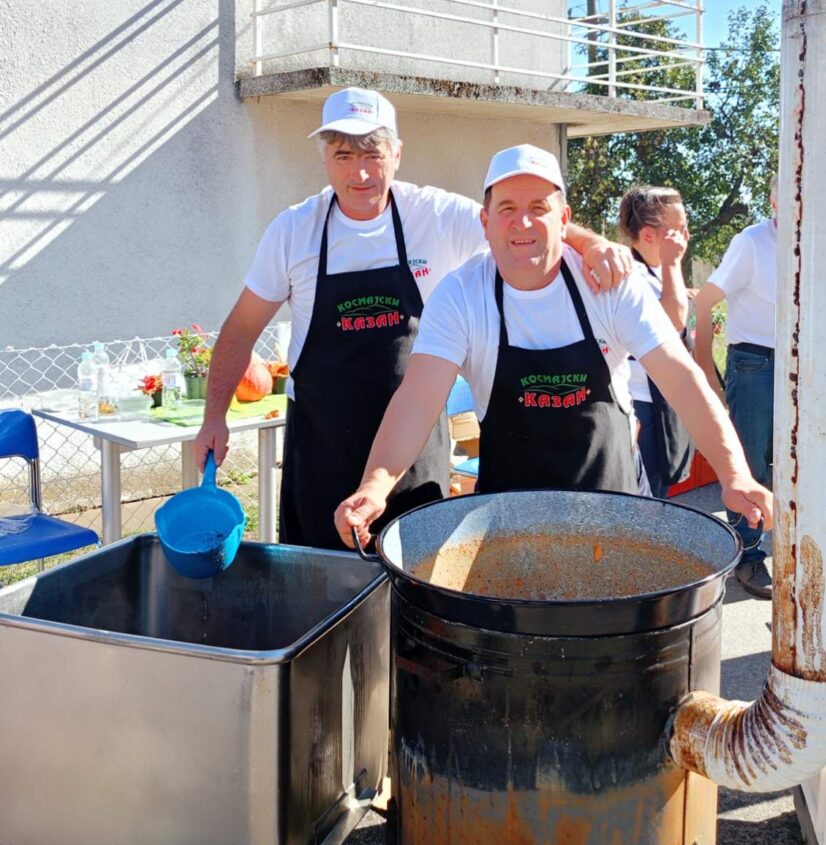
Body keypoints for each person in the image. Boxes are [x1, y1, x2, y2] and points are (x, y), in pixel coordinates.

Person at [192, 88, 632, 550]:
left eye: (372, 153)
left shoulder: (435, 215)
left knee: (419, 600)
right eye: (343, 154)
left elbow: (518, 223)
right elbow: (241, 329)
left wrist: (591, 244)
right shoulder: (293, 231)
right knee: (323, 602)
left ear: (396, 155)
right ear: (324, 159)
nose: (359, 172)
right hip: (322, 454)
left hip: (415, 456)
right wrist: (213, 419)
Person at [334, 145, 772, 550]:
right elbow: (417, 399)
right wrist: (375, 486)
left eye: (538, 209)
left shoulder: (612, 287)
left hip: (616, 516)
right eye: (507, 209)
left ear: (564, 220)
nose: (522, 223)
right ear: (485, 224)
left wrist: (734, 474)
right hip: (506, 527)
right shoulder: (460, 295)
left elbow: (681, 379)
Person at [692, 176, 780, 598]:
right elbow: (706, 300)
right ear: (775, 199)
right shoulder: (752, 241)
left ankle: (782, 546)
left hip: (802, 362)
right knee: (749, 465)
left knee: (790, 461)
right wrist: (704, 365)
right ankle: (747, 557)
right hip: (756, 361)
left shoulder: (821, 238)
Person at [617, 185, 693, 498]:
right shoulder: (632, 277)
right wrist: (674, 265)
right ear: (649, 235)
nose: (686, 236)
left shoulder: (655, 273)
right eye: (677, 230)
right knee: (646, 505)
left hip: (660, 403)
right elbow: (671, 323)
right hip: (641, 407)